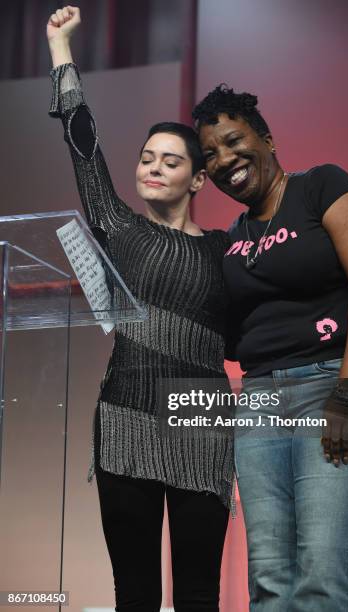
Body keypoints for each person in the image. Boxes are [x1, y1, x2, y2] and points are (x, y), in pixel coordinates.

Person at [47, 8, 235, 612]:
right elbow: (83, 143)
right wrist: (59, 48)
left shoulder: (225, 249)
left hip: (202, 422)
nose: (153, 168)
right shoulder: (117, 226)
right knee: (135, 595)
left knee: (200, 593)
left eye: (170, 161)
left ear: (198, 179)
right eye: (147, 158)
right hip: (125, 418)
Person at [192, 85, 348, 611]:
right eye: (210, 154)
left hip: (335, 384)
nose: (223, 159)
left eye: (234, 141)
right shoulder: (235, 237)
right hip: (261, 400)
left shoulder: (321, 186)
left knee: (321, 573)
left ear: (267, 138)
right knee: (269, 579)